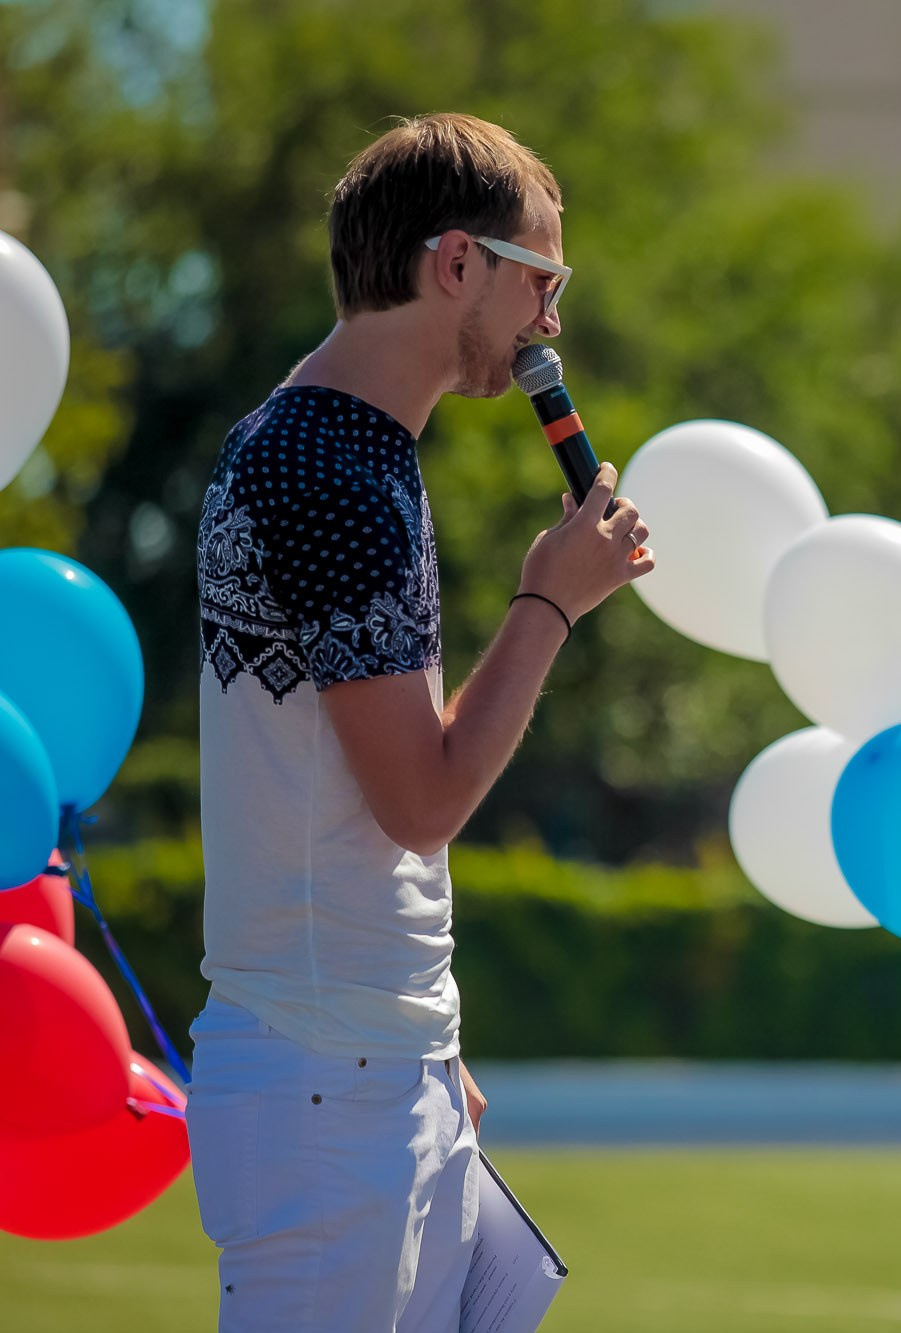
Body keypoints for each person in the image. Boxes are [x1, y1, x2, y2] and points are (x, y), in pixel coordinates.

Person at [186, 113, 652, 1331]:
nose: (550, 322)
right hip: (323, 1089)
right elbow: (421, 799)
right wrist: (552, 599)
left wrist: (426, 1030)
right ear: (456, 263)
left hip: (356, 1066)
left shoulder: (326, 444)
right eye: (540, 280)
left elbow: (368, 782)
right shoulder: (334, 470)